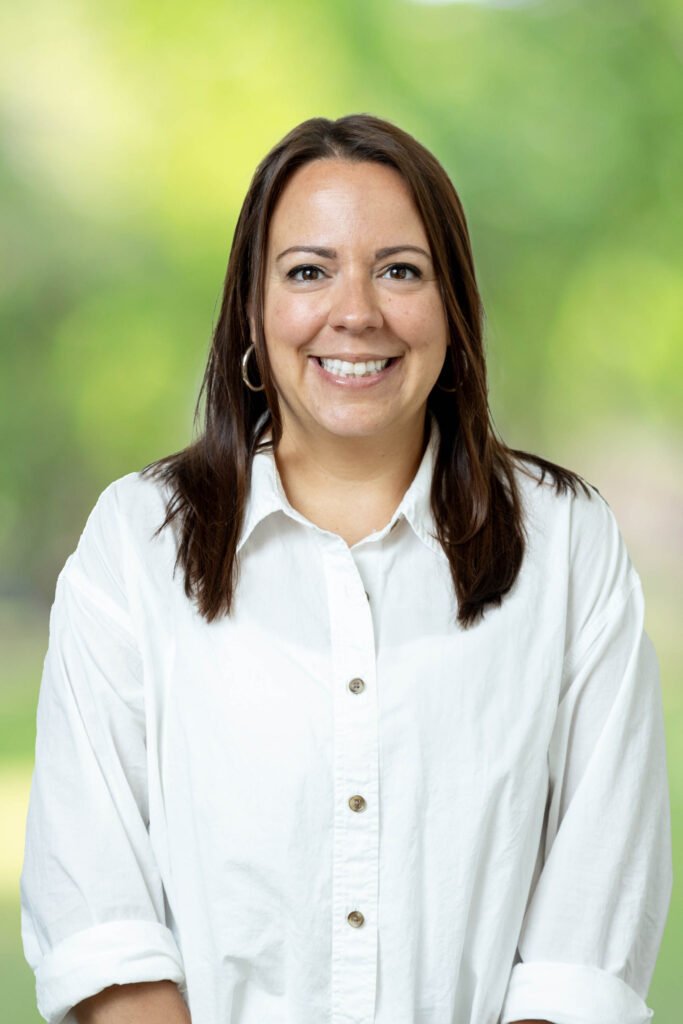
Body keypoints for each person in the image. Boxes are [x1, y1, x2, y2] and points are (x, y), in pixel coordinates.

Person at [20, 113, 671, 1024]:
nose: (355, 310)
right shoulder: (137, 543)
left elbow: (586, 935)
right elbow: (99, 910)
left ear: (454, 305)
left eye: (400, 269)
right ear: (254, 309)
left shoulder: (569, 546)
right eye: (308, 271)